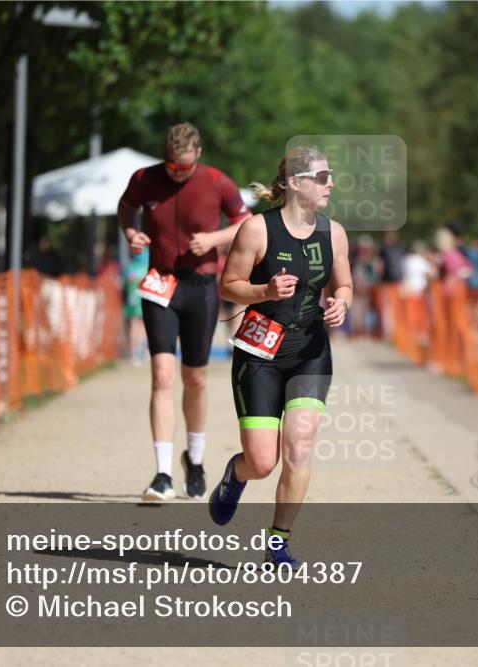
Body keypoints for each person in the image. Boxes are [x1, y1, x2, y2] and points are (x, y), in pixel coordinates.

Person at [210, 147, 353, 569]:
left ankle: (278, 543)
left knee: (300, 449)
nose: (330, 183)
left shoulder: (335, 234)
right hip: (259, 354)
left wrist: (342, 304)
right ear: (295, 182)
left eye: (331, 175)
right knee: (262, 461)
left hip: (310, 352)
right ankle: (233, 477)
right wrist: (264, 293)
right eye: (322, 176)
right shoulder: (256, 230)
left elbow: (344, 285)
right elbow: (228, 285)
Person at [117, 122, 252, 501]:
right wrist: (131, 233)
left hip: (200, 287)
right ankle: (161, 474)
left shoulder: (216, 182)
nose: (179, 173)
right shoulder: (144, 179)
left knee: (196, 378)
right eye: (173, 166)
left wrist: (214, 239)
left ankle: (195, 459)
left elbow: (244, 222)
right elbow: (126, 208)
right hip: (160, 284)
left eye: (186, 167)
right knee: (162, 376)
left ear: (200, 155)